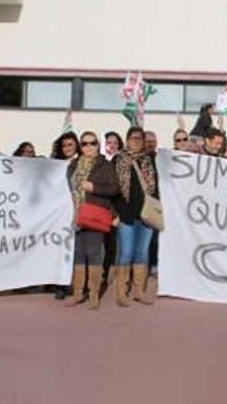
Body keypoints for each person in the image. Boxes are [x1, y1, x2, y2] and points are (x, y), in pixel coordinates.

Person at [66, 132, 119, 310]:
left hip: (95, 213)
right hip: (76, 215)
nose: (89, 147)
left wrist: (94, 187)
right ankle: (78, 292)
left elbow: (114, 189)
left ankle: (94, 293)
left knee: (94, 254)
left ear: (98, 145)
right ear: (81, 146)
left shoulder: (105, 165)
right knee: (78, 255)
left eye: (92, 143)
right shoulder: (73, 165)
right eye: (85, 143)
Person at [113, 127, 158, 307]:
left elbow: (156, 188)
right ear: (127, 139)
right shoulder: (119, 160)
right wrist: (118, 212)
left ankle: (139, 291)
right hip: (126, 216)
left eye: (140, 138)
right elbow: (114, 188)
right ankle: (122, 292)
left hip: (146, 216)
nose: (137, 141)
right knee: (126, 253)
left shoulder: (149, 161)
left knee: (141, 253)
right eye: (133, 138)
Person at [50, 132, 81, 300]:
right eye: (64, 145)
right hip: (58, 213)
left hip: (76, 210)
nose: (67, 148)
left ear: (76, 145)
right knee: (59, 249)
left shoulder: (82, 163)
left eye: (70, 145)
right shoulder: (56, 165)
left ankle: (74, 283)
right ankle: (60, 284)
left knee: (75, 249)